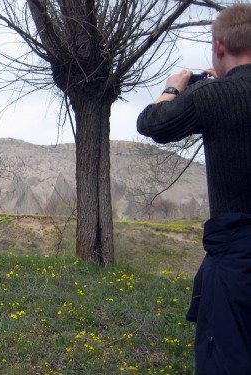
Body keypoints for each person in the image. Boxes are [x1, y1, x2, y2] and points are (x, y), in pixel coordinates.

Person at [137, 4, 251, 374]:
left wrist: (176, 87)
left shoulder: (213, 97)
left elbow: (152, 122)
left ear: (219, 47)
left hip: (238, 256)